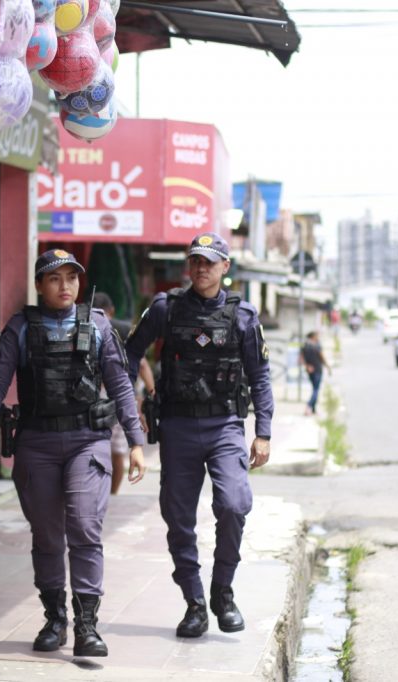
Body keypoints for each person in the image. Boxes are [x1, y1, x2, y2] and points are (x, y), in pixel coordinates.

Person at [0, 249, 146, 658]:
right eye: (54, 278)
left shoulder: (99, 326)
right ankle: (55, 619)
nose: (65, 286)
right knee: (48, 535)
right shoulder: (19, 328)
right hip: (37, 443)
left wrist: (136, 442)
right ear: (39, 285)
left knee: (85, 526)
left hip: (88, 440)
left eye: (72, 277)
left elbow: (120, 386)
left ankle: (87, 625)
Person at [125, 232, 274, 639]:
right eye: (196, 261)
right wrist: (137, 397)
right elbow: (128, 355)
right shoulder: (165, 309)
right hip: (177, 426)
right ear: (188, 266)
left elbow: (260, 376)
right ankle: (194, 603)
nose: (202, 268)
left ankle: (222, 591)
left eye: (210, 261)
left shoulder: (243, 316)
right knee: (178, 518)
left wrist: (263, 432)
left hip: (224, 425)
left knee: (233, 504)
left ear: (226, 267)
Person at [92, 291, 156, 495]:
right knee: (117, 450)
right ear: (112, 310)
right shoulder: (124, 328)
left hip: (94, 395)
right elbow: (143, 365)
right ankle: (113, 494)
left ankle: (101, 492)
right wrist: (151, 393)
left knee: (93, 446)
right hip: (120, 393)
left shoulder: (81, 325)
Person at [299, 331, 331, 416]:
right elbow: (322, 357)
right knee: (316, 390)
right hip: (317, 370)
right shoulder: (317, 345)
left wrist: (307, 366)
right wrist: (328, 367)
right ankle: (309, 405)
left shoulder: (305, 345)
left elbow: (301, 359)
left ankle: (313, 409)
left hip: (310, 370)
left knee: (314, 389)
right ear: (313, 336)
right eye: (317, 335)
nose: (318, 337)